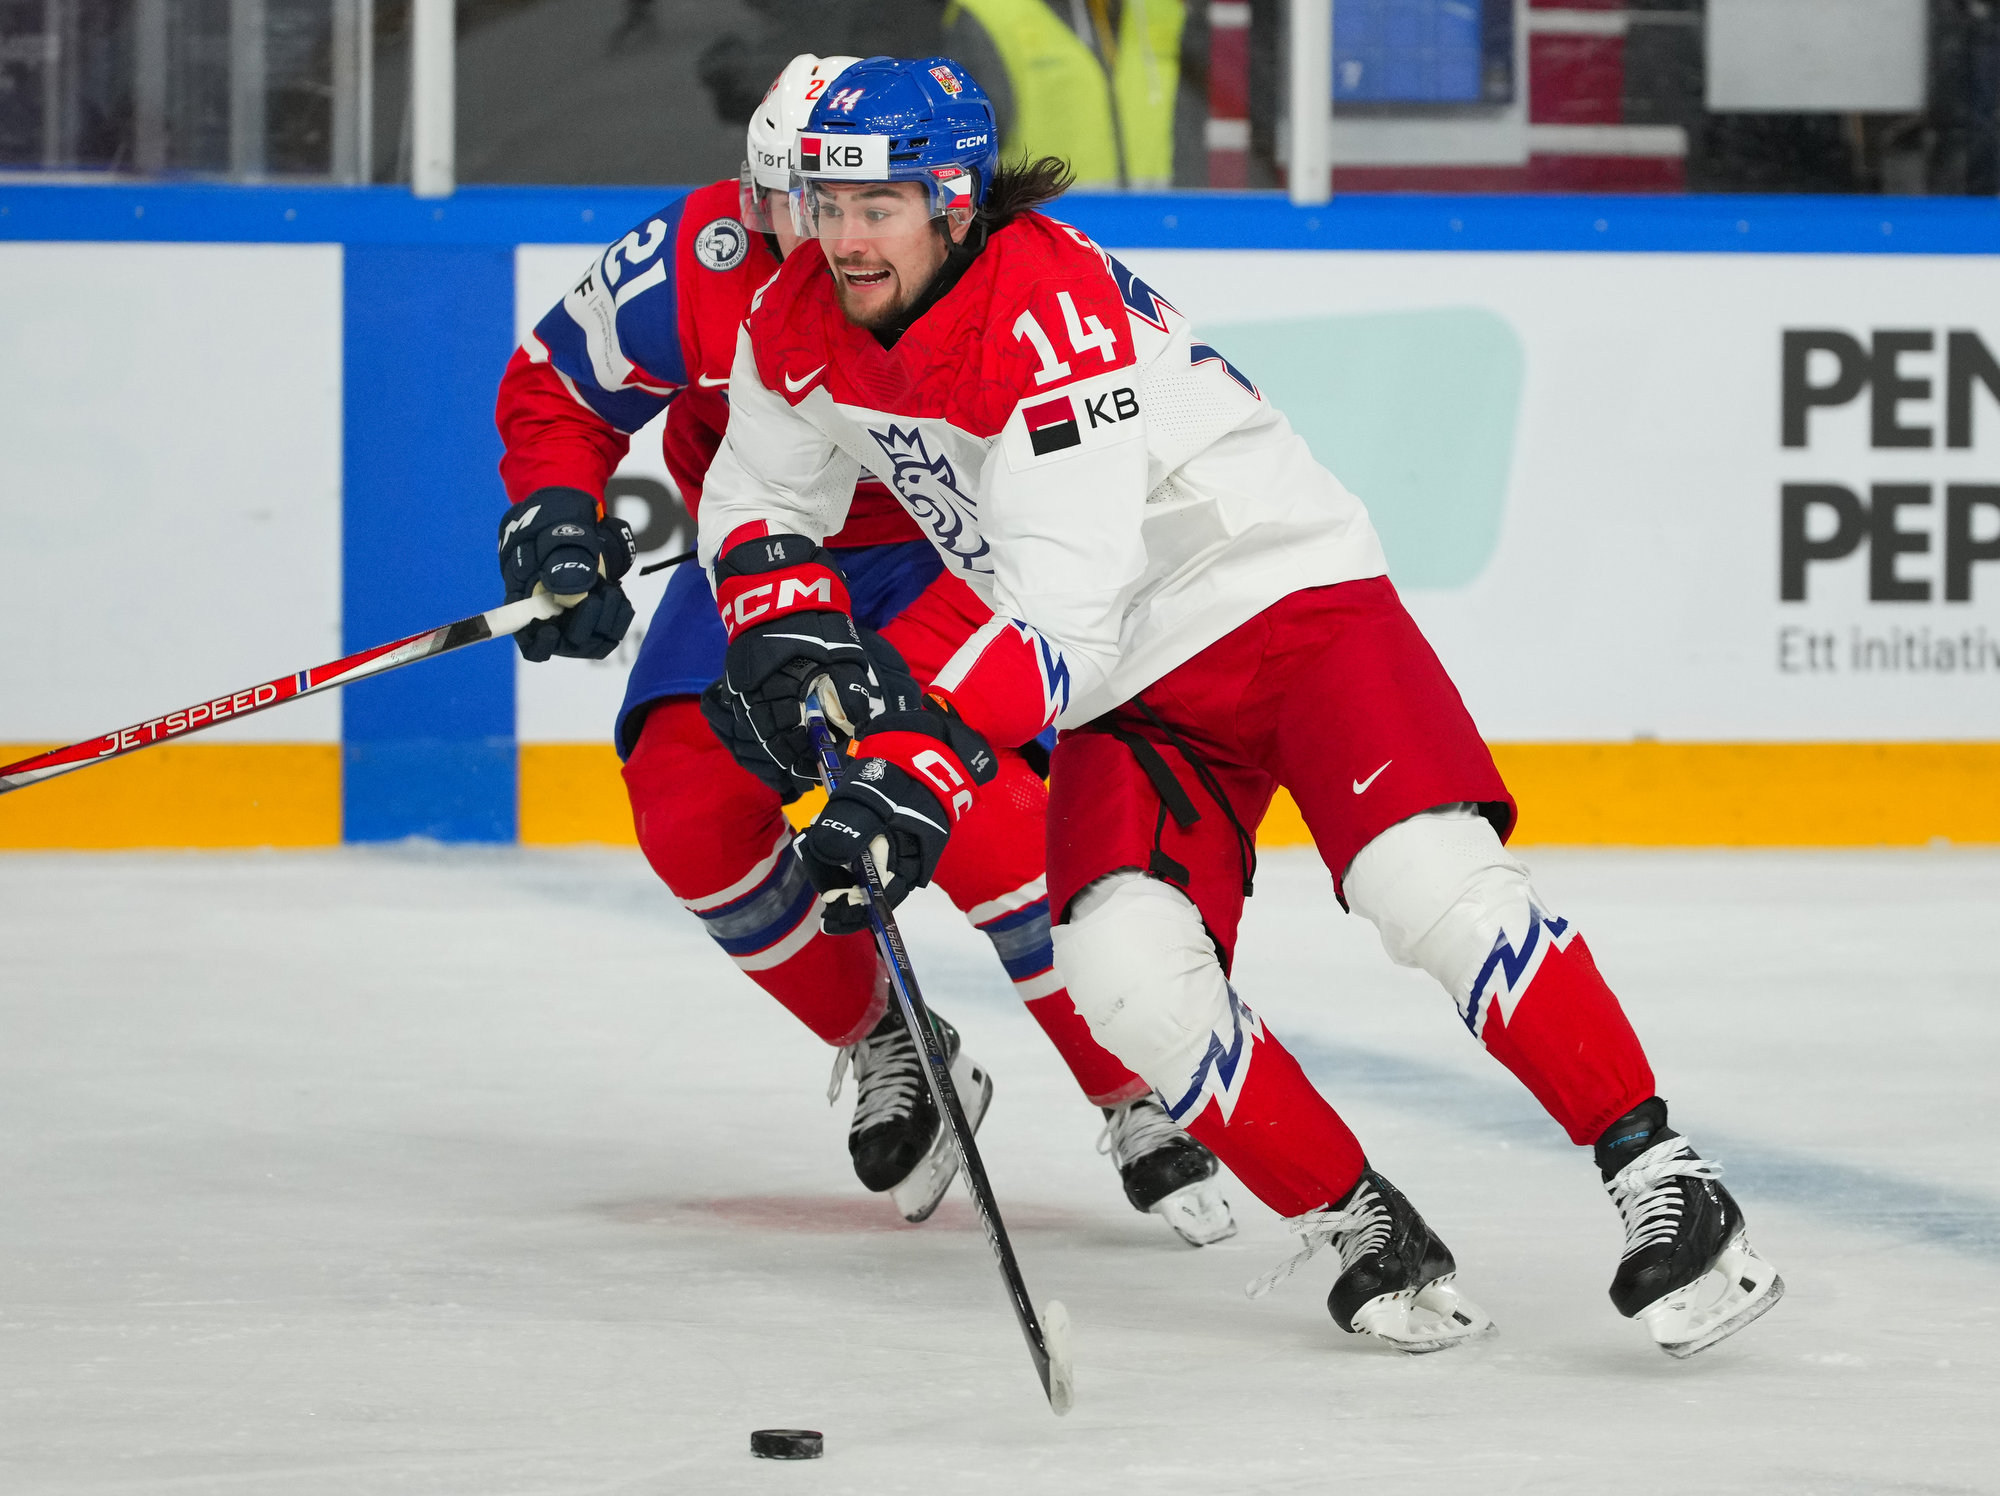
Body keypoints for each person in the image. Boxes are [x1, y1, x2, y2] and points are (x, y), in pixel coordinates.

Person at [697, 54, 1785, 1358]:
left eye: (871, 205)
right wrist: (781, 636)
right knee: (1121, 975)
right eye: (820, 199)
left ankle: (1666, 1181)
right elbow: (762, 498)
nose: (840, 235)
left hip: (1280, 599)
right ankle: (1363, 1225)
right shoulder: (792, 320)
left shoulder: (1050, 311)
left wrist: (915, 765)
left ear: (950, 199)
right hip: (1128, 689)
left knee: (1424, 880)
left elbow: (1062, 599)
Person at [491, 54, 1234, 1244]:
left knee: (977, 820)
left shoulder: (981, 274)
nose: (824, 241)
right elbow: (558, 388)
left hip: (949, 550)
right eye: (793, 205)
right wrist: (558, 517)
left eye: (850, 204)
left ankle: (1128, 1083)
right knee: (686, 801)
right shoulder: (702, 259)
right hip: (771, 555)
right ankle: (886, 1034)